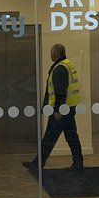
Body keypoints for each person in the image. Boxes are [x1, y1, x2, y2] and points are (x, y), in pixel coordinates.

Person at [24, 43, 84, 176]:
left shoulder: (60, 68)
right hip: (67, 109)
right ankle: (78, 164)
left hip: (61, 112)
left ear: (56, 54)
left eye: (51, 52)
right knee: (70, 137)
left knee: (51, 138)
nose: (50, 55)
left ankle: (38, 164)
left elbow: (60, 92)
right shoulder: (67, 65)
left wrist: (57, 110)